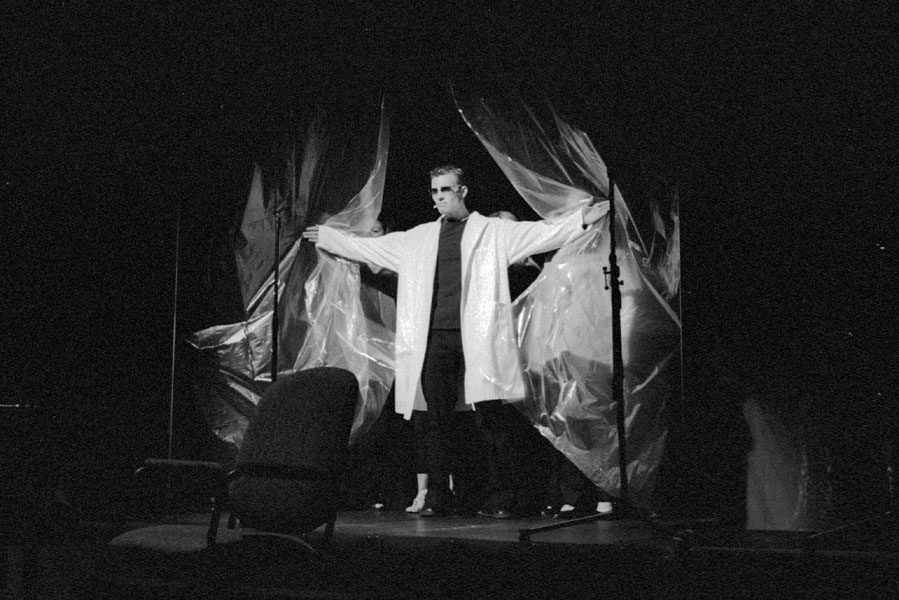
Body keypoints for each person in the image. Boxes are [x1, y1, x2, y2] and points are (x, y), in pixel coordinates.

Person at [302, 165, 608, 516]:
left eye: (445, 190)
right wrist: (329, 238)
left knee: (491, 417)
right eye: (434, 191)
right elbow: (372, 248)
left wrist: (580, 219)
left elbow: (540, 232)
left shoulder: (493, 232)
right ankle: (436, 495)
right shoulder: (419, 238)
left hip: (478, 336)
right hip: (435, 338)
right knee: (436, 419)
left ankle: (504, 497)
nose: (439, 198)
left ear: (462, 191)